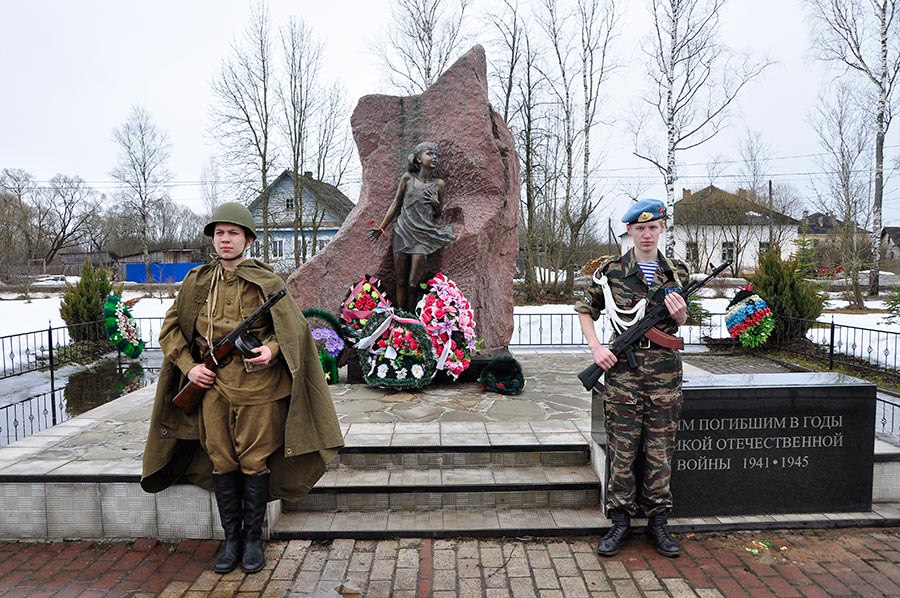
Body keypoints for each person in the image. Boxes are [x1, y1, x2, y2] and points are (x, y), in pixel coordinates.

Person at [140, 202, 343, 574]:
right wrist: (191, 369)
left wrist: (272, 349)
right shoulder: (197, 283)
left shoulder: (269, 283)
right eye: (220, 233)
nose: (225, 239)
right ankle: (230, 539)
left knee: (254, 462)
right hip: (212, 390)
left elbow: (294, 330)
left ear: (248, 239)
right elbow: (170, 332)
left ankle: (252, 540)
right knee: (221, 461)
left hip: (259, 391)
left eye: (233, 233)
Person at [575, 198, 689, 558]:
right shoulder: (611, 271)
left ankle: (658, 521)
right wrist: (596, 349)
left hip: (665, 374)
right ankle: (620, 520)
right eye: (640, 228)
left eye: (653, 227)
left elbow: (682, 324)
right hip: (623, 372)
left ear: (662, 229)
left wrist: (682, 313)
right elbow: (584, 309)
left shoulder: (678, 272)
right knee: (623, 450)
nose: (646, 234)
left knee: (660, 450)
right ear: (629, 231)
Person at [369, 141, 455, 311]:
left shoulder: (439, 184)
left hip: (423, 236)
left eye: (436, 154)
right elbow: (396, 204)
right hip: (403, 232)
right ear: (418, 158)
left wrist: (436, 203)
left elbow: (438, 214)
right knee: (400, 281)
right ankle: (402, 319)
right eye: (429, 154)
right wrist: (381, 228)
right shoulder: (408, 178)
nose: (434, 157)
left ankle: (412, 318)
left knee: (413, 283)